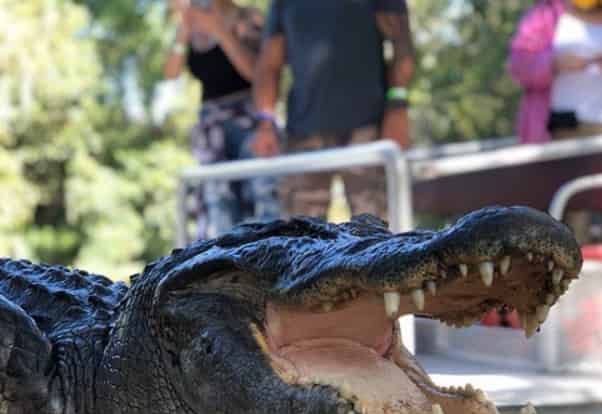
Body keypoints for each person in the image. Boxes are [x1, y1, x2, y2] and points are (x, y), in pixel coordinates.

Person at [250, 0, 414, 221]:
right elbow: (269, 63)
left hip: (368, 132)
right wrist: (265, 124)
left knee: (379, 238)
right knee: (298, 240)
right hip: (303, 136)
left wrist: (398, 108)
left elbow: (402, 44)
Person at [508, 0, 602, 244]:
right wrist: (553, 62)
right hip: (563, 135)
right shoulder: (545, 13)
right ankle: (567, 278)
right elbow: (518, 64)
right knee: (569, 221)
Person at [164, 0, 279, 238]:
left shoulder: (248, 18)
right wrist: (182, 35)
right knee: (218, 208)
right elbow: (170, 74)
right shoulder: (190, 26)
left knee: (264, 200)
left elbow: (257, 72)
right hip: (211, 129)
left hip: (251, 121)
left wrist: (219, 30)